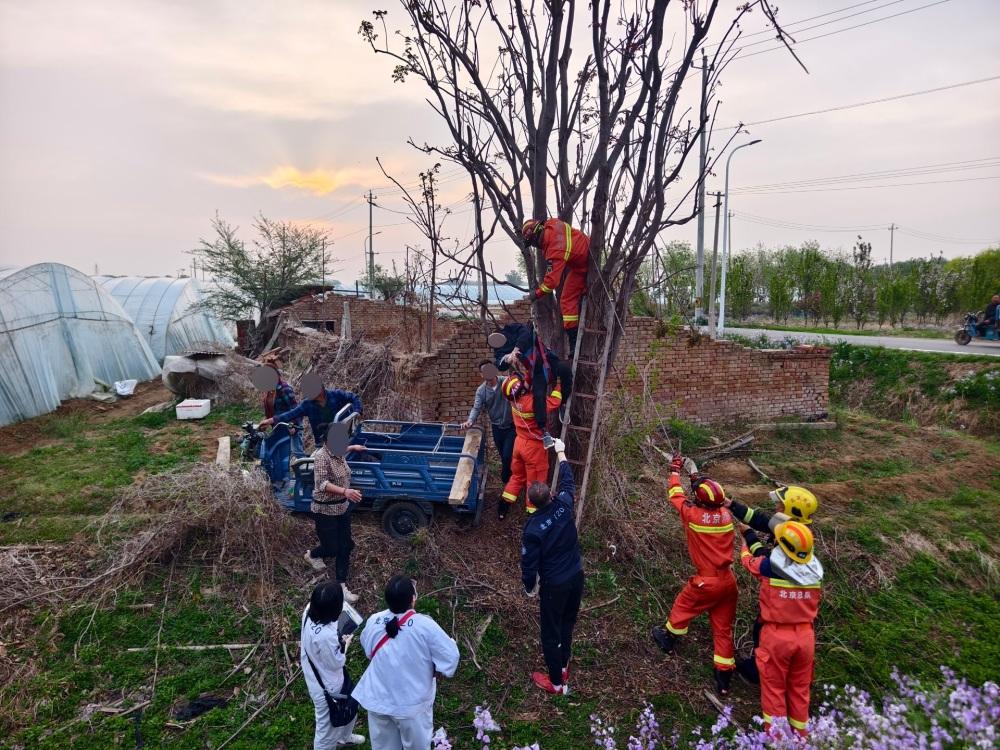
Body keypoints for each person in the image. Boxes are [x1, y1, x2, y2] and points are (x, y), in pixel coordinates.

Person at [650, 454, 737, 696]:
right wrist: (696, 478)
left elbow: (675, 495)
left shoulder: (693, 515)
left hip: (706, 581)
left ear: (699, 500)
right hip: (728, 581)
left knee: (683, 606)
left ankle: (668, 639)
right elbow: (706, 498)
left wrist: (675, 470)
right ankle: (724, 675)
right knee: (722, 627)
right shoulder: (726, 515)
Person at [723, 485, 819, 684]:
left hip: (782, 607)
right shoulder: (793, 530)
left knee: (765, 631)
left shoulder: (791, 541)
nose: (776, 508)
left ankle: (760, 671)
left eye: (780, 506)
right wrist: (732, 506)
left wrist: (748, 538)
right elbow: (761, 520)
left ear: (791, 511)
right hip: (796, 611)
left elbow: (765, 560)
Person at [353, 576, 460, 750]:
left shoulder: (374, 620)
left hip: (378, 698)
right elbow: (450, 657)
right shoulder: (426, 626)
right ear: (412, 599)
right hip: (411, 704)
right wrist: (438, 670)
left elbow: (368, 650)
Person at [740, 521, 824, 737]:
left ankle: (778, 741)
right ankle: (800, 739)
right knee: (799, 690)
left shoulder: (769, 567)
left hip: (777, 637)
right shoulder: (814, 570)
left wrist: (744, 542)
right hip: (806, 637)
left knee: (774, 690)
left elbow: (749, 562)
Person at [521, 438, 584, 696]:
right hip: (576, 576)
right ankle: (565, 665)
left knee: (550, 632)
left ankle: (556, 683)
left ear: (532, 504)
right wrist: (561, 452)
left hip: (554, 585)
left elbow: (529, 563)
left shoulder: (534, 528)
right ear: (550, 494)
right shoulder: (564, 504)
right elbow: (569, 481)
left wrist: (529, 587)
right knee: (567, 623)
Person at [306, 422, 367, 605]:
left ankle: (341, 585)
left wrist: (353, 447)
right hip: (325, 510)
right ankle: (313, 555)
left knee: (346, 545)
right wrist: (345, 491)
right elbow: (322, 484)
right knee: (331, 548)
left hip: (342, 507)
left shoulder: (338, 450)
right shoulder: (320, 457)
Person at [301, 582, 365, 749]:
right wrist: (345, 644)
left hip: (315, 670)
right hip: (327, 687)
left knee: (350, 704)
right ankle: (331, 743)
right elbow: (337, 663)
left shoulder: (309, 610)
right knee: (326, 731)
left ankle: (345, 737)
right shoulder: (326, 637)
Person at [491, 322, 573, 445]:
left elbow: (526, 332)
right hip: (537, 370)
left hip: (548, 359)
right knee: (538, 397)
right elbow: (500, 364)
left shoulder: (513, 329)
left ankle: (563, 402)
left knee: (565, 370)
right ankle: (544, 431)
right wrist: (507, 359)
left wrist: (516, 349)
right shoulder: (499, 350)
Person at [521, 218, 591, 352]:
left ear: (536, 237)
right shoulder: (551, 224)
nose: (536, 246)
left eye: (533, 243)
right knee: (568, 298)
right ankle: (574, 339)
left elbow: (551, 283)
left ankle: (574, 341)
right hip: (581, 259)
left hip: (582, 267)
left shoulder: (554, 249)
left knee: (566, 300)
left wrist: (535, 294)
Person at [498, 373, 563, 518]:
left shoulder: (513, 400)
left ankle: (503, 508)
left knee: (517, 476)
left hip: (519, 443)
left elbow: (523, 384)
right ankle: (534, 514)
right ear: (521, 389)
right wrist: (559, 384)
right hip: (534, 448)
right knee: (535, 484)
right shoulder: (532, 403)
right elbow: (554, 401)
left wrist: (532, 371)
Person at [460, 360, 515, 486]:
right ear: (481, 374)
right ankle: (510, 477)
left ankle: (507, 481)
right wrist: (470, 421)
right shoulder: (481, 391)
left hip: (512, 426)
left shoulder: (506, 382)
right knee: (503, 456)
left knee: (507, 455)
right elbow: (476, 408)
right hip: (496, 428)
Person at [260, 382, 363, 448]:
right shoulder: (307, 404)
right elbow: (291, 414)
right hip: (323, 442)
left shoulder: (336, 395)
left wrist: (357, 411)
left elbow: (354, 397)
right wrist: (270, 421)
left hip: (344, 435)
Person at [258, 352, 305, 458]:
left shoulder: (284, 389)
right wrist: (267, 423)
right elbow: (271, 410)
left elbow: (296, 409)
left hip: (291, 426)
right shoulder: (269, 390)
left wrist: (293, 425)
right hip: (279, 426)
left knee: (297, 454)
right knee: (282, 457)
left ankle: (304, 472)